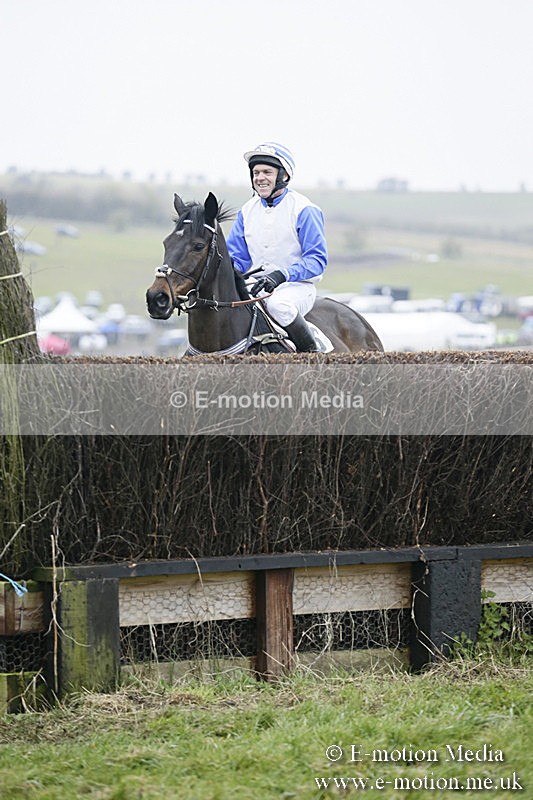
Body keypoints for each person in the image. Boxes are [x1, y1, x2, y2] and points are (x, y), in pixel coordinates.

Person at [226, 142, 327, 352]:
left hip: (296, 288)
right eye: (256, 173)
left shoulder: (305, 209)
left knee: (278, 306)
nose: (260, 178)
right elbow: (237, 259)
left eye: (267, 172)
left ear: (284, 176)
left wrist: (282, 275)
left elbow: (317, 262)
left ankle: (311, 356)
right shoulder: (246, 211)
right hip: (256, 285)